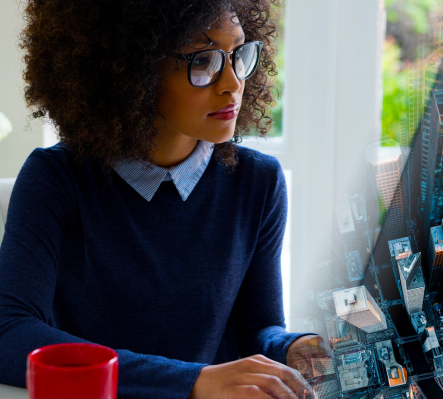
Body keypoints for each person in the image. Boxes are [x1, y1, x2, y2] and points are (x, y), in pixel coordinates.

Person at [0, 1, 332, 398]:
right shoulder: (56, 178)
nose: (232, 83)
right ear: (129, 68)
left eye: (238, 55)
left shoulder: (257, 182)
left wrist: (290, 348)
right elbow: (9, 330)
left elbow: (255, 328)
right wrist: (192, 381)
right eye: (203, 60)